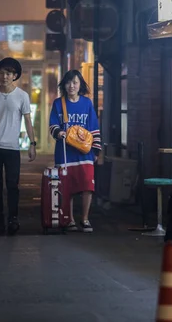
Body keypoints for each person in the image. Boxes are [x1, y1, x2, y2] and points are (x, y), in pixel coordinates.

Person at [0, 57, 37, 236]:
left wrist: (32, 144)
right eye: (2, 73)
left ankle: (13, 218)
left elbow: (28, 122)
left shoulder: (22, 96)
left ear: (15, 76)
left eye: (8, 73)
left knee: (13, 185)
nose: (4, 76)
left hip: (12, 148)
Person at [49, 69, 101, 233]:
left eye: (75, 82)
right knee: (67, 187)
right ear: (64, 85)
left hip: (85, 153)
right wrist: (59, 133)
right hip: (65, 152)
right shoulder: (58, 103)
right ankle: (69, 219)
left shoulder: (87, 103)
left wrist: (96, 151)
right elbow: (52, 125)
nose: (72, 86)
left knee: (87, 186)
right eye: (69, 82)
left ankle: (85, 219)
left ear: (80, 85)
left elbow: (94, 127)